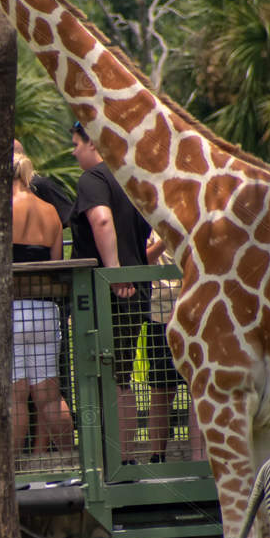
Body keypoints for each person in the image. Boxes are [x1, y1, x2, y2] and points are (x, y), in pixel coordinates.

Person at [68, 121, 153, 464]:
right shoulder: (131, 180)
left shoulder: (94, 179)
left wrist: (114, 273)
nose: (73, 151)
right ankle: (125, 459)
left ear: (93, 144)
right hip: (136, 289)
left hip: (106, 295)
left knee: (107, 379)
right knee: (121, 374)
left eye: (76, 143)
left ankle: (112, 463)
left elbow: (101, 221)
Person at [10, 150, 75, 456]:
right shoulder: (51, 211)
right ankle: (67, 460)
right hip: (46, 310)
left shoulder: (0, 210)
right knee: (49, 394)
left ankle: (11, 471)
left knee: (16, 397)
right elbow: (55, 263)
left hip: (10, 310)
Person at [142, 233, 205, 463]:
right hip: (159, 317)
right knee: (160, 390)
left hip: (194, 318)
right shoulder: (153, 227)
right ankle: (156, 456)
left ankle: (200, 459)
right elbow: (144, 259)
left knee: (197, 390)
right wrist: (164, 241)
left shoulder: (197, 221)